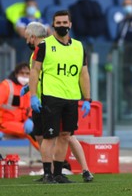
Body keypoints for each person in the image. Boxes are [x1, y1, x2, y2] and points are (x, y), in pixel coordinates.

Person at [22, 22, 94, 183]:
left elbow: (60, 73)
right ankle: (51, 172)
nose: (26, 41)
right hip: (40, 101)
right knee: (42, 136)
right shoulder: (37, 53)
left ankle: (85, 170)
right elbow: (40, 76)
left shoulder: (49, 49)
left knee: (66, 135)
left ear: (32, 37)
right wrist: (30, 88)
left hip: (54, 100)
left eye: (27, 37)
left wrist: (86, 97)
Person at [0, 62, 39, 150]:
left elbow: (31, 108)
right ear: (16, 74)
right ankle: (48, 157)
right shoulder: (7, 86)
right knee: (32, 132)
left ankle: (50, 157)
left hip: (22, 123)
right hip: (4, 123)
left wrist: (30, 119)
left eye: (27, 73)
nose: (24, 76)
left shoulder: (29, 89)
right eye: (22, 73)